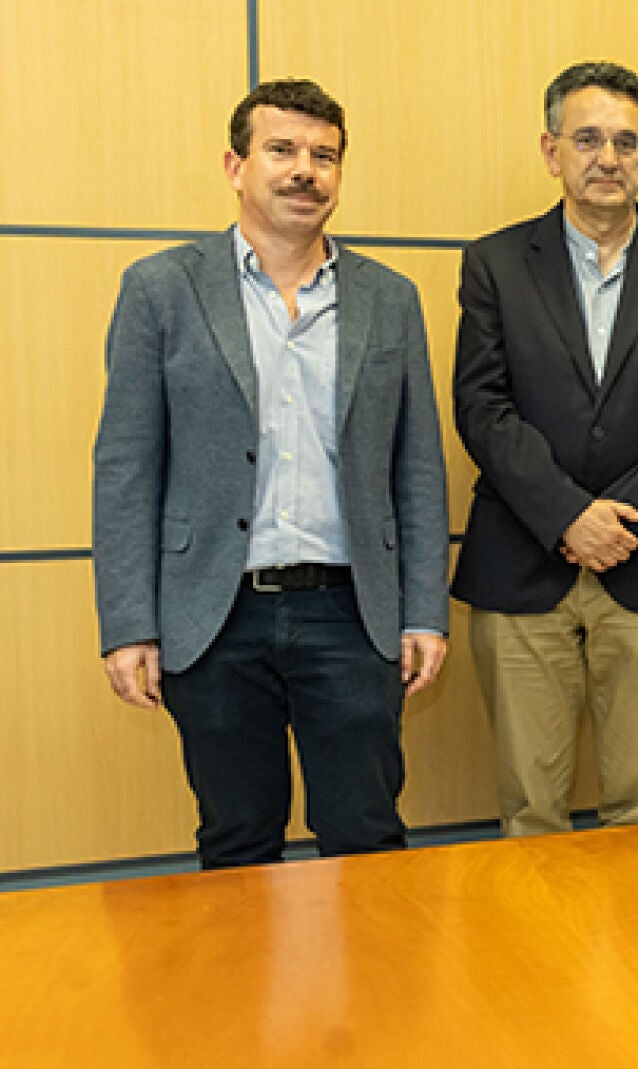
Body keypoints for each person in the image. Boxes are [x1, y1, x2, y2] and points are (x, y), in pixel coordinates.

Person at [92, 79, 451, 869]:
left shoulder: (390, 298)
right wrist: (128, 624)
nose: (304, 171)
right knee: (237, 841)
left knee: (367, 836)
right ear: (236, 165)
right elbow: (125, 466)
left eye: (324, 155)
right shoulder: (161, 288)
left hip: (351, 614)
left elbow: (418, 466)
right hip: (213, 617)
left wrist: (424, 612)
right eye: (282, 150)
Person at [453, 61, 638, 837]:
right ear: (552, 151)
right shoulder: (495, 262)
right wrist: (568, 516)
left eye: (625, 142)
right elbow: (482, 406)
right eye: (587, 139)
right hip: (521, 562)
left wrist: (620, 519)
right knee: (529, 809)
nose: (607, 158)